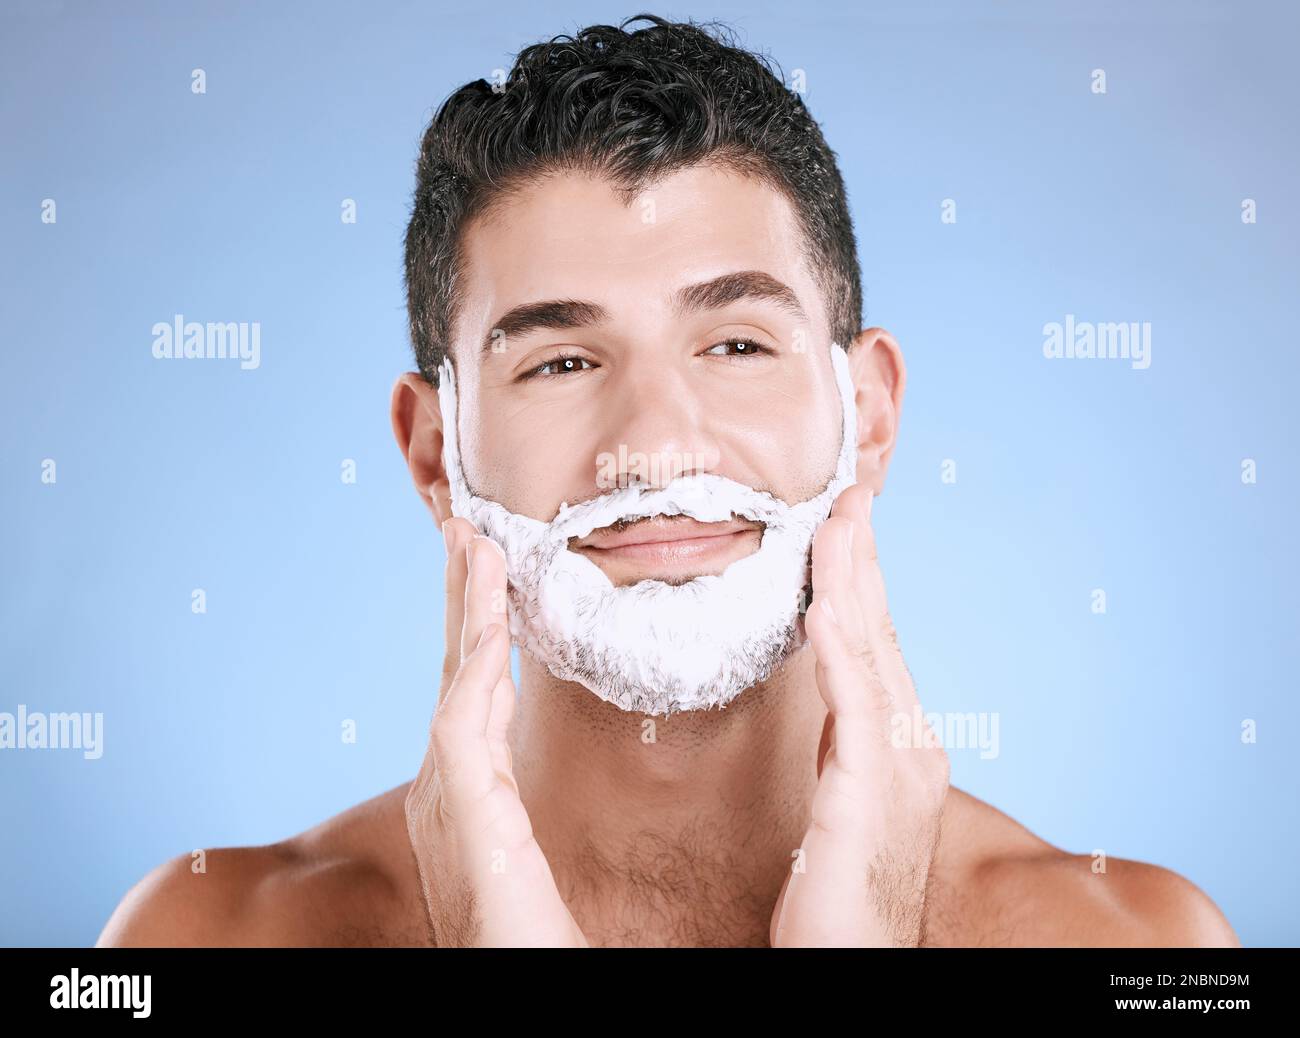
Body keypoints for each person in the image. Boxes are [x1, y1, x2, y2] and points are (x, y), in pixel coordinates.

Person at [98, 13, 1239, 948]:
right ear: (436, 455)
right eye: (560, 361)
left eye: (735, 344)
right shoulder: (202, 936)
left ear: (870, 413)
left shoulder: (1137, 949)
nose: (654, 438)